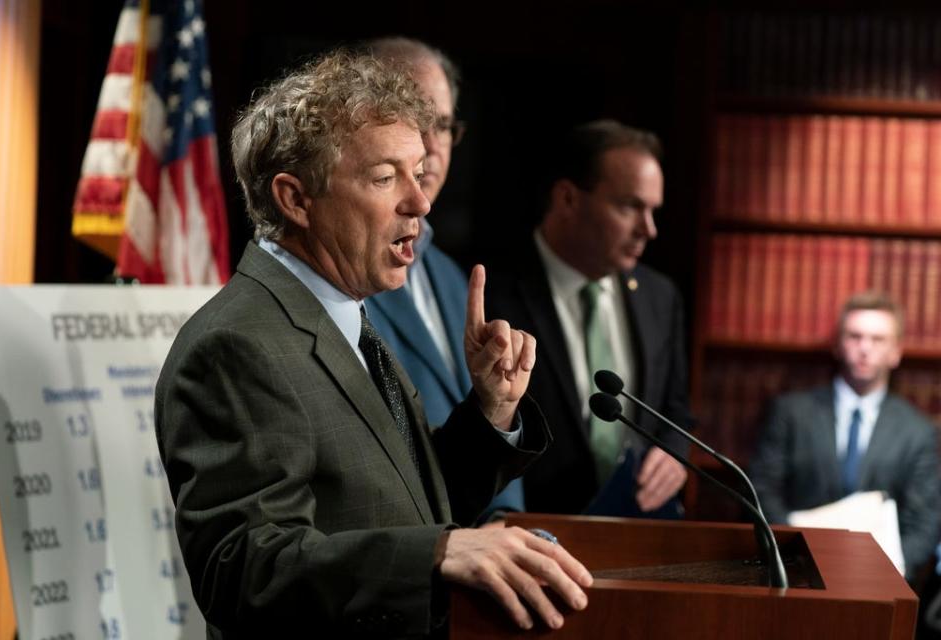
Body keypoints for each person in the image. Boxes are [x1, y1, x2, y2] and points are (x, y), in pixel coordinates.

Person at [154, 50, 592, 638]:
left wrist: (489, 412)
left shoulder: (344, 313)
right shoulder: (236, 346)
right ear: (295, 199)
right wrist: (439, 555)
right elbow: (243, 572)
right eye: (386, 178)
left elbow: (408, 502)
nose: (420, 201)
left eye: (418, 172)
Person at [485, 119, 693, 517]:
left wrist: (674, 455)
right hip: (530, 534)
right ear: (567, 199)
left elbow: (676, 410)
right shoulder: (490, 294)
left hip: (638, 533)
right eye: (630, 207)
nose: (648, 229)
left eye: (653, 211)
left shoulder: (659, 297)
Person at [362, 37, 523, 516]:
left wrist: (505, 518)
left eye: (445, 125)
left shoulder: (451, 276)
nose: (432, 145)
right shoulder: (342, 276)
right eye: (415, 118)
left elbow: (482, 412)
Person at [750, 291, 941, 580]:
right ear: (838, 345)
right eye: (855, 336)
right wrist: (794, 554)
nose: (865, 348)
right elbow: (761, 492)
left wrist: (884, 572)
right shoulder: (790, 413)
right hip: (794, 575)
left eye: (878, 339)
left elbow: (925, 523)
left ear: (896, 352)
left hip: (879, 585)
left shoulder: (918, 432)